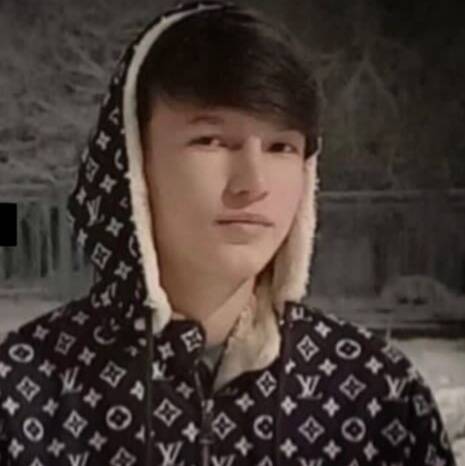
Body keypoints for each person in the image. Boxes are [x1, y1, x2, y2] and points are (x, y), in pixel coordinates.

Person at [0, 1, 457, 465]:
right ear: (132, 163)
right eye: (211, 141)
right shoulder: (22, 391)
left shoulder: (379, 397)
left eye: (281, 147)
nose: (253, 184)